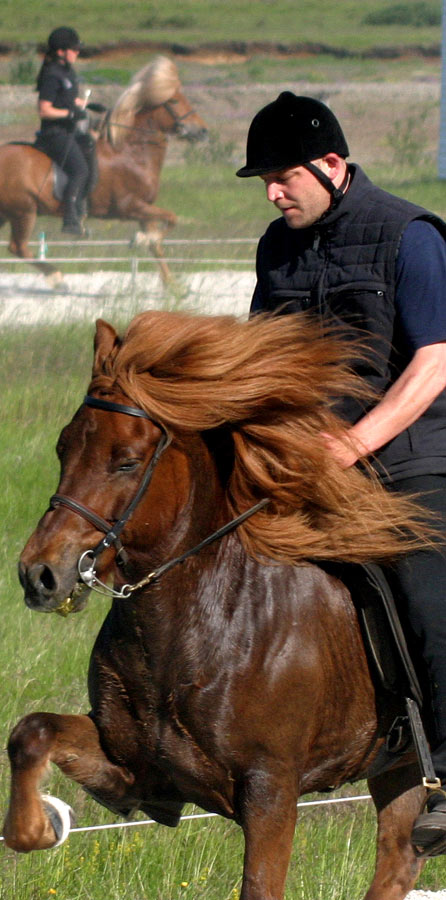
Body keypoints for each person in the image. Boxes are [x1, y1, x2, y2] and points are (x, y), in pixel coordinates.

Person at [237, 90, 446, 856]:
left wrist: (354, 444)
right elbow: (263, 358)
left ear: (331, 164)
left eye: (282, 175)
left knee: (427, 588)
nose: (271, 192)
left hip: (413, 454)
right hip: (307, 455)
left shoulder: (409, 235)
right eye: (263, 180)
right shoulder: (276, 247)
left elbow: (436, 361)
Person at [34, 26, 97, 236]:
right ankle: (70, 219)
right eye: (74, 49)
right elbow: (44, 110)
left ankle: (83, 206)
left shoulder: (68, 72)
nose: (77, 52)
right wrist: (69, 115)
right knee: (79, 170)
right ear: (61, 51)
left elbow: (71, 100)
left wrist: (87, 106)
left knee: (92, 151)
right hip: (55, 134)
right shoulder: (52, 75)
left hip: (70, 131)